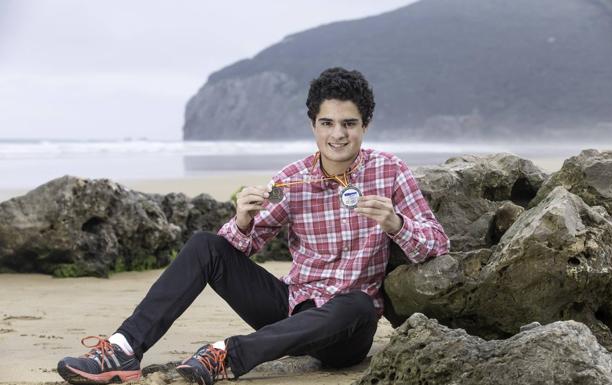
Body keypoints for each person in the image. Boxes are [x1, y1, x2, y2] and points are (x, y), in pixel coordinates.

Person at [56, 67, 450, 385]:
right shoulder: (292, 180)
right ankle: (123, 348)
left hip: (346, 328)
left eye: (349, 123)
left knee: (359, 304)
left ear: (365, 124)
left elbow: (437, 244)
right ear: (313, 124)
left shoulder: (391, 171)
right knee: (205, 245)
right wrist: (243, 219)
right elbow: (237, 249)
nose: (338, 134)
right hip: (291, 308)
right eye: (327, 123)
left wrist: (396, 223)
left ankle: (229, 354)